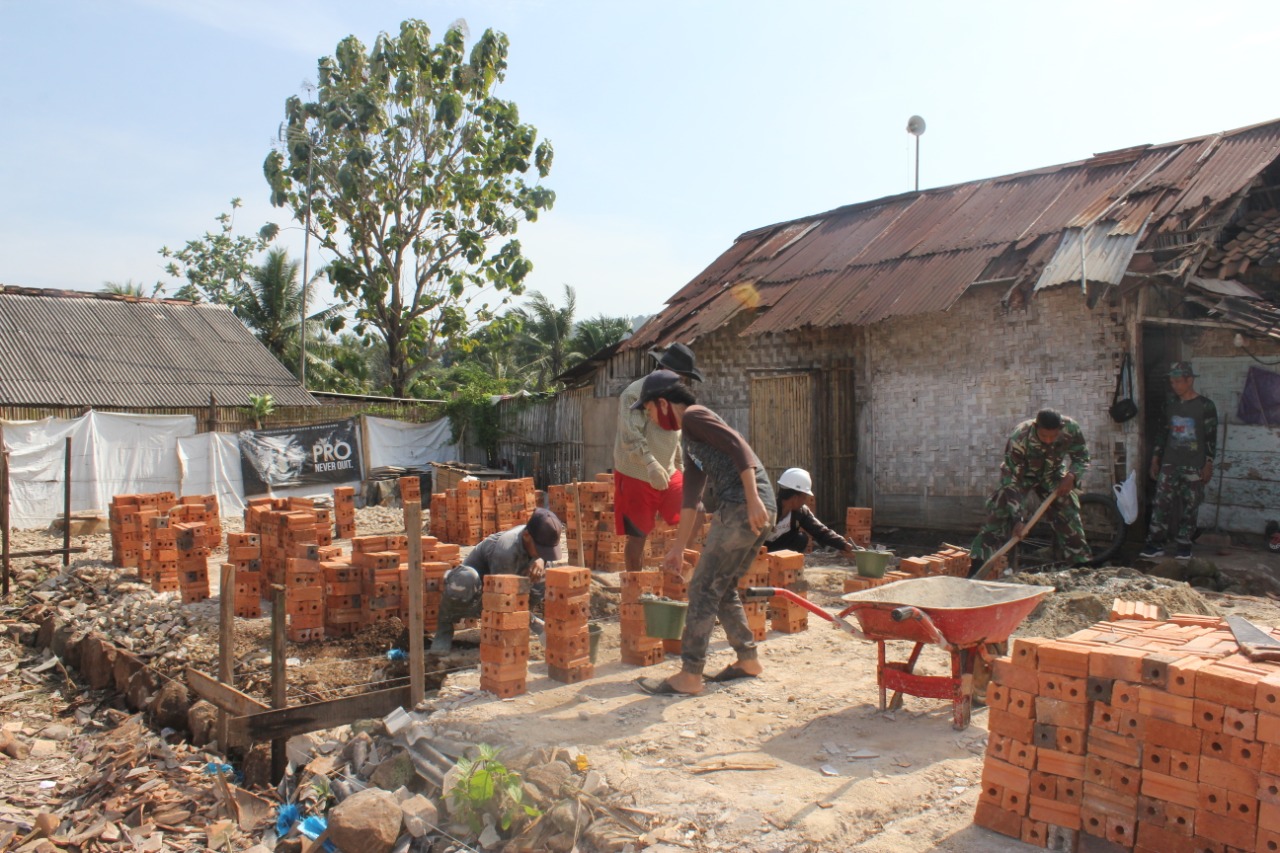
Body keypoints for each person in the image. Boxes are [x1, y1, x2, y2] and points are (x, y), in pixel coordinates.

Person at [630, 369, 777, 697]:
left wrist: (752, 499)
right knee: (720, 588)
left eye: (650, 410)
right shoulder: (691, 439)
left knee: (702, 589)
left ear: (664, 403)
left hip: (744, 506)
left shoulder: (695, 416)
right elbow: (691, 502)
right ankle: (748, 660)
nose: (651, 418)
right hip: (750, 508)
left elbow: (739, 447)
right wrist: (678, 549)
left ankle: (690, 675)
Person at [613, 342, 704, 571]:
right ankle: (635, 588)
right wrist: (650, 463)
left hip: (668, 470)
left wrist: (680, 469)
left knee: (696, 511)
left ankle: (678, 564)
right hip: (636, 471)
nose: (682, 383)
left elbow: (676, 438)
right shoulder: (633, 393)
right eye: (681, 377)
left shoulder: (675, 397)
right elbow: (630, 436)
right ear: (666, 370)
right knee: (638, 535)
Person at [969, 409, 1092, 571]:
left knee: (1067, 508)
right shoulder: (1019, 437)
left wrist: (1072, 476)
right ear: (1036, 427)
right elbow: (1011, 479)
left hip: (1052, 473)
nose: (1048, 441)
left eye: (1053, 436)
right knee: (999, 512)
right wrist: (1017, 518)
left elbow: (1082, 457)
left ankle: (1081, 565)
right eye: (1044, 437)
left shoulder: (1071, 428)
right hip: (1020, 476)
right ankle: (977, 566)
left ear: (1060, 428)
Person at [429, 507, 563, 654]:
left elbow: (542, 557)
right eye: (541, 550)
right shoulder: (506, 551)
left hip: (508, 585)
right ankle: (444, 628)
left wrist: (542, 560)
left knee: (544, 572)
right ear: (526, 536)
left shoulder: (534, 537)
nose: (543, 554)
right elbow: (503, 598)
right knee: (466, 580)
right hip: (478, 593)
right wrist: (539, 627)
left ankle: (517, 623)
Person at [1140, 362, 1218, 560]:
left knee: (1190, 505)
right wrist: (1155, 460)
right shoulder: (1169, 405)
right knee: (1161, 503)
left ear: (1190, 380)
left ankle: (1184, 545)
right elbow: (1162, 434)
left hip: (1194, 464)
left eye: (1178, 381)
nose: (1174, 385)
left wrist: (1208, 463)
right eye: (1172, 382)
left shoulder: (1205, 406)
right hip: (1170, 462)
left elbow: (1211, 437)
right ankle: (1155, 544)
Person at [765, 467, 861, 557]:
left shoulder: (801, 512)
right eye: (804, 497)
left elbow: (820, 531)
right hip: (760, 549)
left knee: (801, 539)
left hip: (777, 549)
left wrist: (843, 544)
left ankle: (782, 565)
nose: (805, 501)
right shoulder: (767, 510)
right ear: (795, 498)